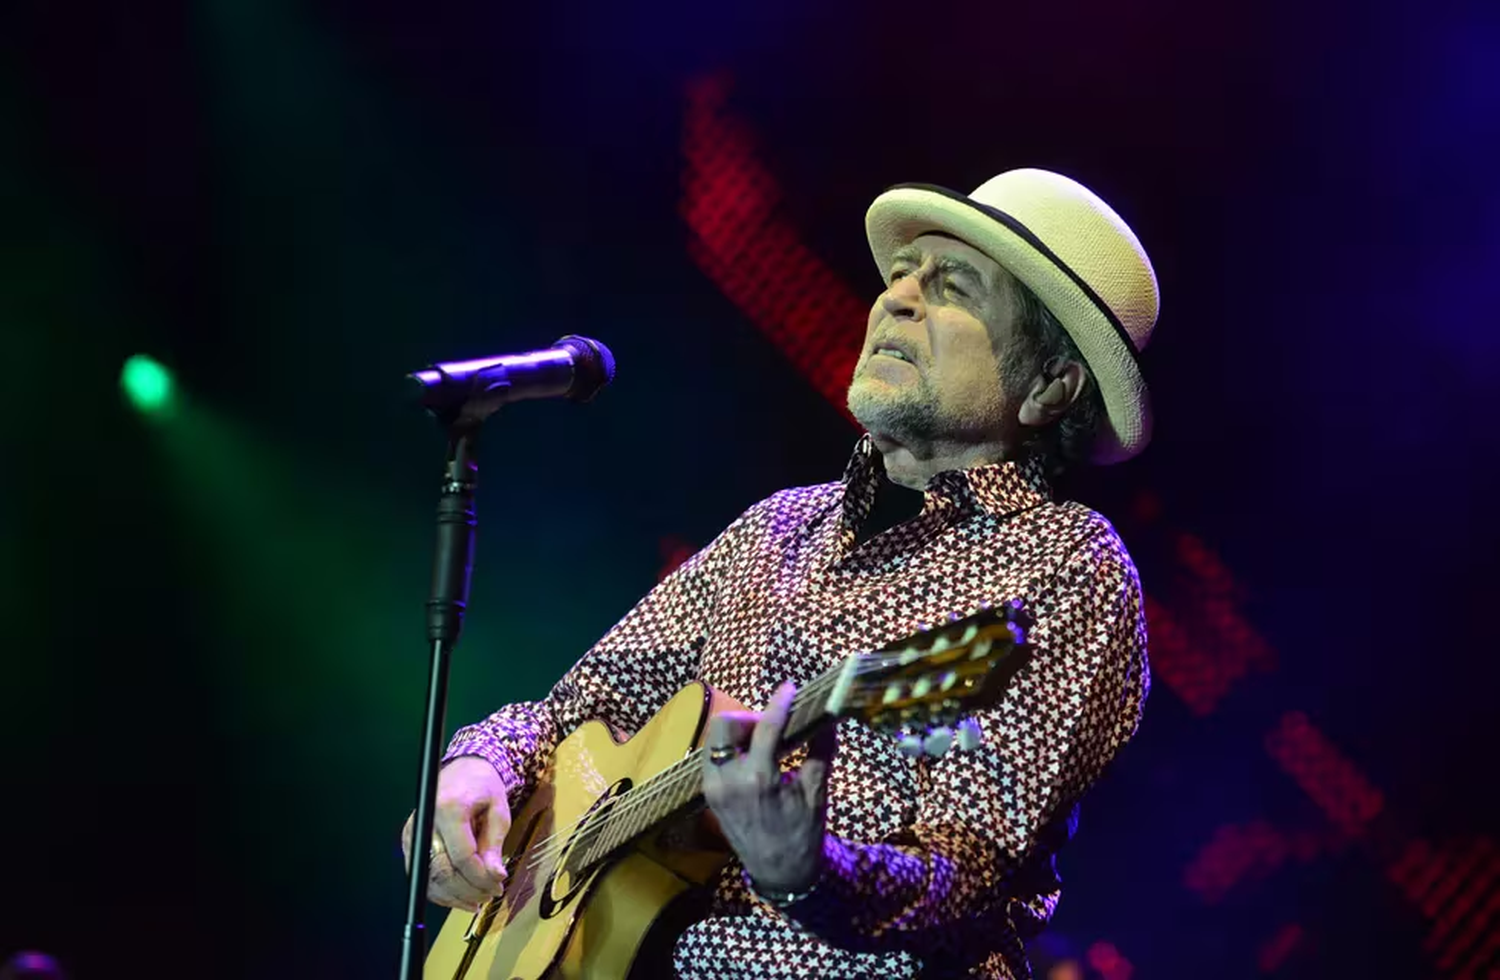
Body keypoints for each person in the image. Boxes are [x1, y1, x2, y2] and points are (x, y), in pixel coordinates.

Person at [402, 168, 1159, 979]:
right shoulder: (780, 525)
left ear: (1050, 386)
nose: (897, 298)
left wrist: (810, 872)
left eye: (954, 287)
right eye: (902, 275)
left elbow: (967, 872)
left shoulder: (1067, 562)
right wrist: (480, 764)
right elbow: (572, 713)